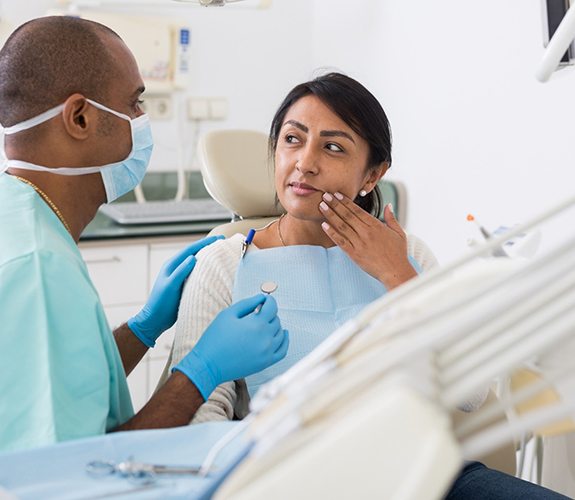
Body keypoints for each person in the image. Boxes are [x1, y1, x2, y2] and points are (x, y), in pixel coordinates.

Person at [164, 73, 568, 498]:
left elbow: (471, 396)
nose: (305, 162)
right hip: (289, 480)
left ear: (372, 175)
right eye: (292, 139)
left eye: (333, 147)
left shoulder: (408, 254)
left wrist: (398, 277)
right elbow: (201, 418)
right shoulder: (225, 262)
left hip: (422, 477)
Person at [0, 16, 288, 453]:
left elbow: (59, 383)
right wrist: (201, 372)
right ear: (79, 117)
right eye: (135, 103)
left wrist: (142, 328)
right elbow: (75, 468)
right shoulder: (38, 265)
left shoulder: (24, 217)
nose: (142, 119)